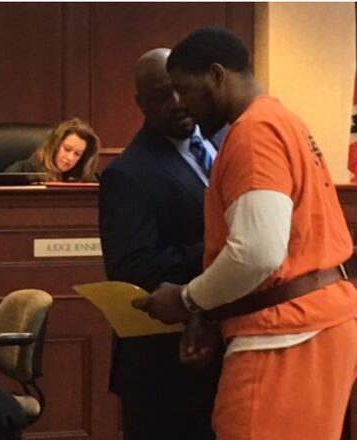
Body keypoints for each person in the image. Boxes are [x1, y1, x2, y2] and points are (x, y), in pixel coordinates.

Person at [133, 27, 357, 440]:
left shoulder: (254, 133)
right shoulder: (282, 120)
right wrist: (210, 312)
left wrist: (188, 300)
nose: (181, 103)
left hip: (285, 332)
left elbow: (258, 253)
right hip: (321, 320)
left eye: (185, 90)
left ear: (217, 76)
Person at [98, 48, 224, 440]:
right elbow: (133, 267)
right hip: (163, 371)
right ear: (140, 104)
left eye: (179, 91)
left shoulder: (228, 140)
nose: (175, 104)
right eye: (159, 97)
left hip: (224, 354)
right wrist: (222, 251)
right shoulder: (127, 174)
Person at [5, 117, 100, 182]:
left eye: (77, 154)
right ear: (55, 145)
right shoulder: (21, 172)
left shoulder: (85, 179)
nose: (70, 158)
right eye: (67, 149)